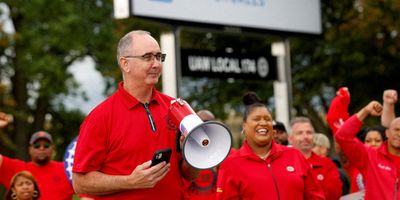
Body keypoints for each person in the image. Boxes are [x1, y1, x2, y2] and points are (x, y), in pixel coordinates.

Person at [72, 30, 199, 199]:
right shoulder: (100, 117)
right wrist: (130, 182)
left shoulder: (176, 107)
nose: (156, 64)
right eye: (147, 57)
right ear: (125, 63)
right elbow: (80, 182)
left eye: (159, 56)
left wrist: (195, 153)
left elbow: (190, 175)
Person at [216, 92, 324, 199]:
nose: (263, 123)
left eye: (267, 119)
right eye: (256, 119)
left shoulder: (294, 155)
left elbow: (315, 196)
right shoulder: (230, 164)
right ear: (244, 125)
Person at [334, 100, 400, 200]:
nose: (399, 134)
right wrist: (366, 111)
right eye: (396, 130)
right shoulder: (370, 156)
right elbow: (342, 136)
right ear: (387, 133)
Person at [0, 131, 76, 200]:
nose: (41, 148)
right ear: (29, 149)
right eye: (37, 146)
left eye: (46, 146)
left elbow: (86, 191)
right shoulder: (17, 169)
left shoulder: (66, 168)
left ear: (52, 149)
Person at [289, 117, 342, 200]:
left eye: (309, 132)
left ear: (313, 137)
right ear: (290, 139)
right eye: (300, 133)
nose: (305, 136)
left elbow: (334, 195)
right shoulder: (281, 164)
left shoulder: (327, 164)